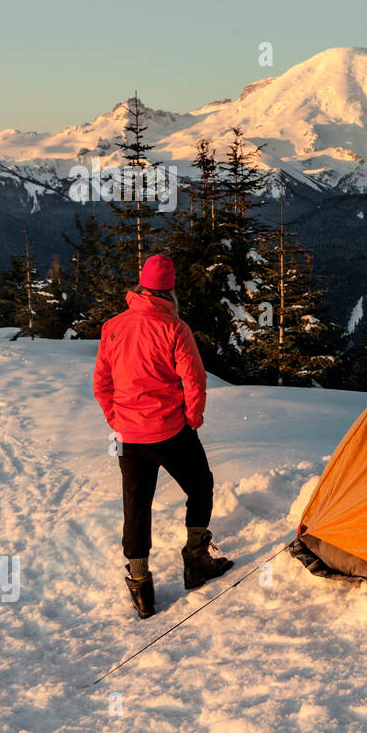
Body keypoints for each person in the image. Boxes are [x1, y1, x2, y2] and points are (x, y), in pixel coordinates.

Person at [93, 254, 232, 618]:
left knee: (135, 507)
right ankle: (196, 559)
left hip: (128, 436)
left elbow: (101, 384)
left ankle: (141, 588)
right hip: (169, 431)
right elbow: (194, 380)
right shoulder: (175, 328)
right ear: (170, 290)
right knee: (200, 485)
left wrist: (117, 419)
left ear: (140, 287)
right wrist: (193, 418)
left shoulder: (113, 327)